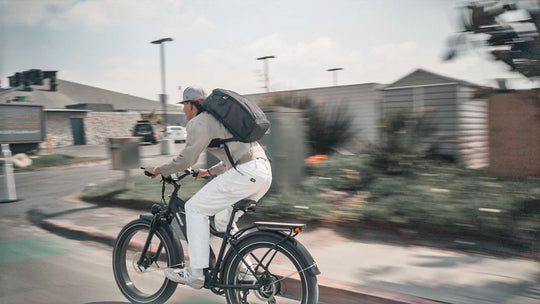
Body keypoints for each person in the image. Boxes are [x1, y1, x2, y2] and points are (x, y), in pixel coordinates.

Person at [142, 86, 272, 289]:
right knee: (222, 220)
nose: (183, 111)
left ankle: (195, 273)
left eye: (184, 105)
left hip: (246, 172)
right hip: (261, 172)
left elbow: (186, 158)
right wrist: (208, 172)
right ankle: (246, 271)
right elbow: (235, 156)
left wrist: (158, 169)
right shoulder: (222, 120)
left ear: (191, 104)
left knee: (194, 208)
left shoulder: (199, 122)